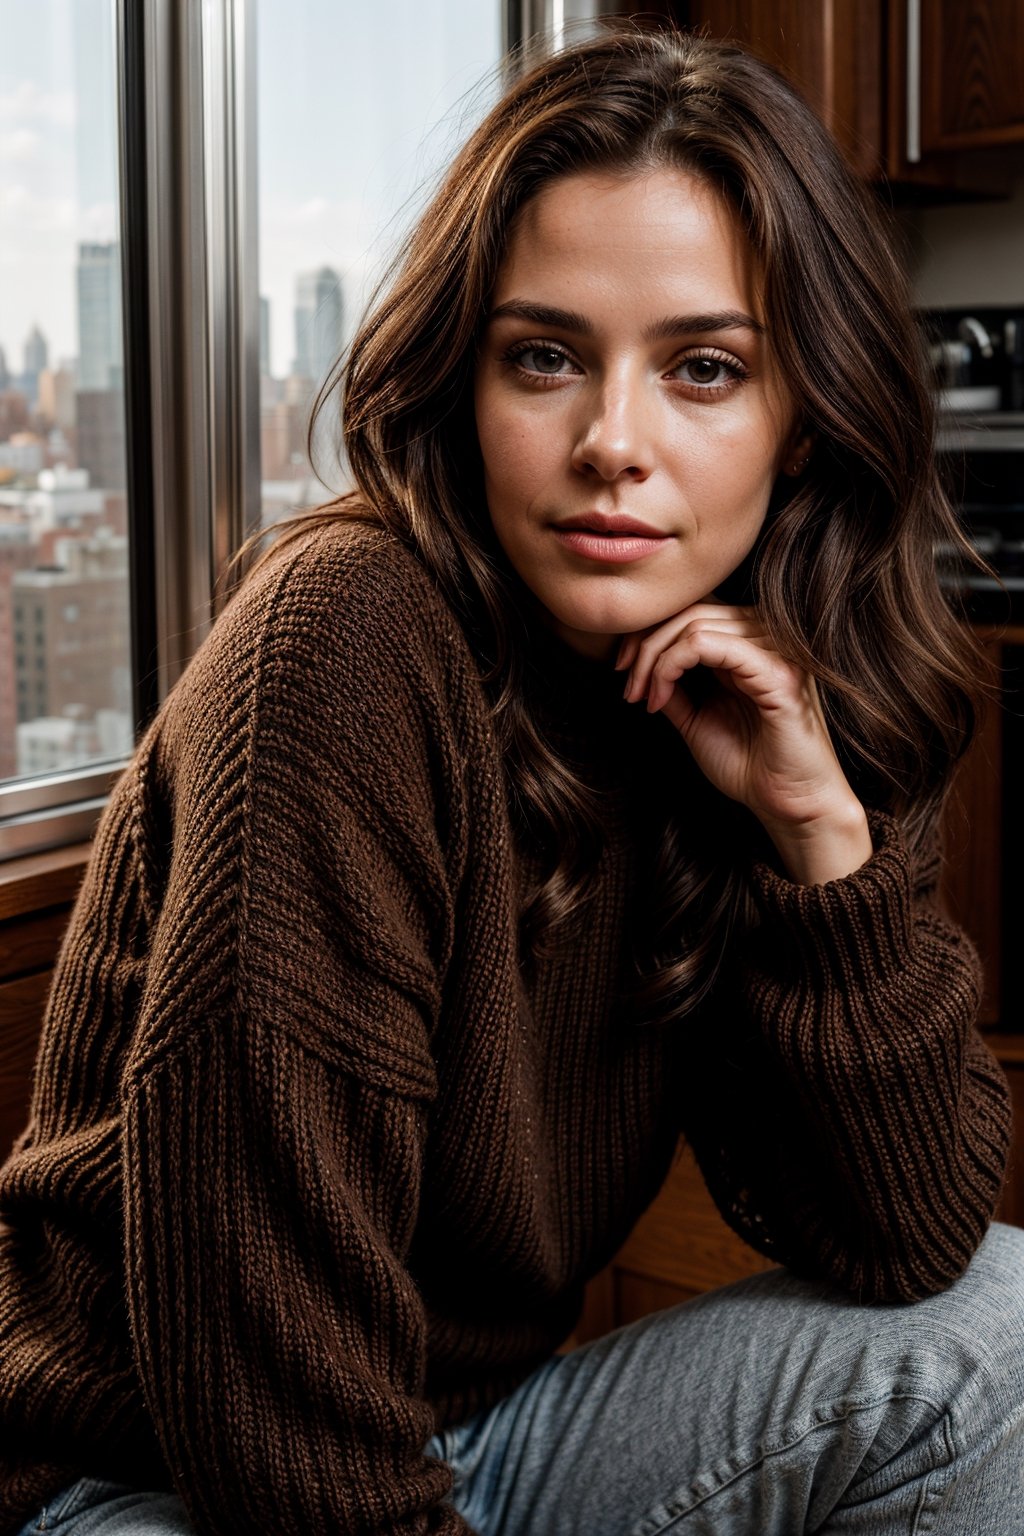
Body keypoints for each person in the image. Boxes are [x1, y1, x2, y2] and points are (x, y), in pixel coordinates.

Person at [1, 24, 1022, 1536]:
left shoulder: (772, 686)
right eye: (544, 357)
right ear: (462, 384)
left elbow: (912, 1235)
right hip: (146, 1492)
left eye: (704, 370)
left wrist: (818, 835)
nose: (614, 443)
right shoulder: (345, 640)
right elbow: (274, 1426)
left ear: (803, 420)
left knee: (991, 1328)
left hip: (445, 1440)